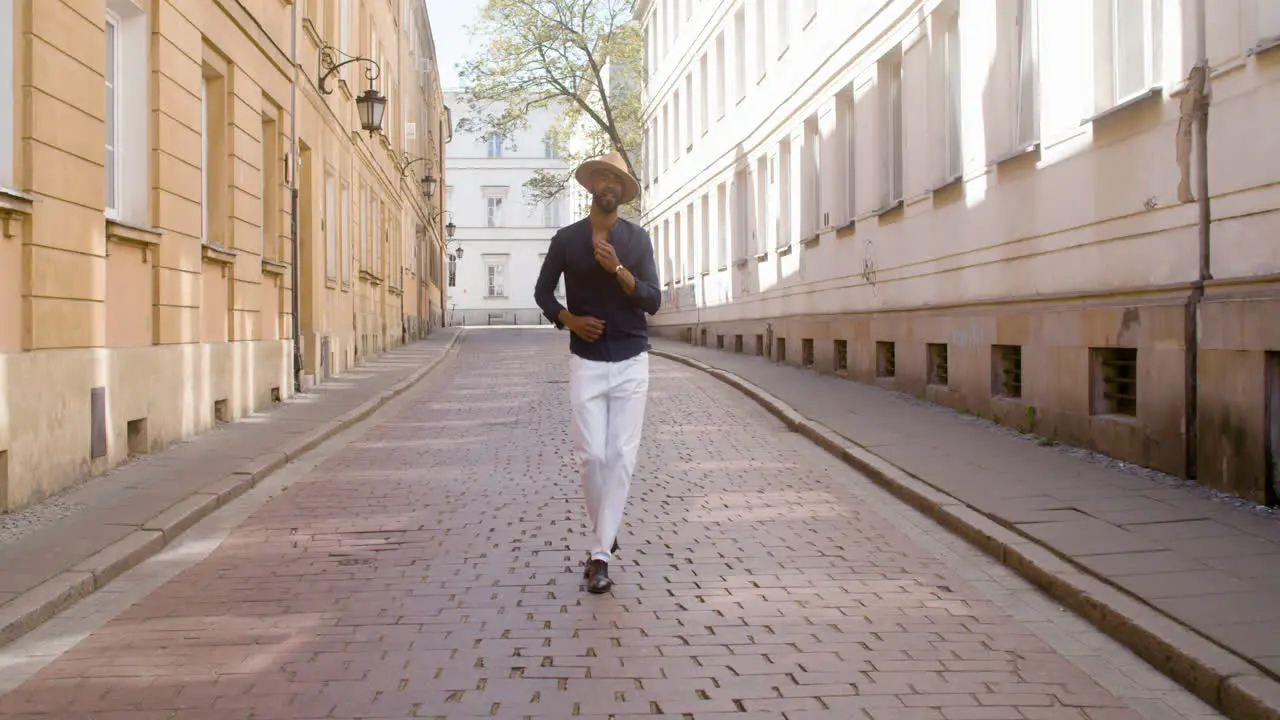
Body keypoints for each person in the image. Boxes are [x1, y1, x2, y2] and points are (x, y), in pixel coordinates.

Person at [534, 151, 661, 594]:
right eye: (602, 178)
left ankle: (601, 554)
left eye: (616, 181)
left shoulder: (638, 240)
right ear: (591, 187)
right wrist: (570, 320)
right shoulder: (567, 240)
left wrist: (619, 271)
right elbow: (542, 292)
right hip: (586, 360)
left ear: (622, 194)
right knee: (591, 457)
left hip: (631, 357)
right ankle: (605, 529)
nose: (608, 185)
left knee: (621, 457)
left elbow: (652, 300)